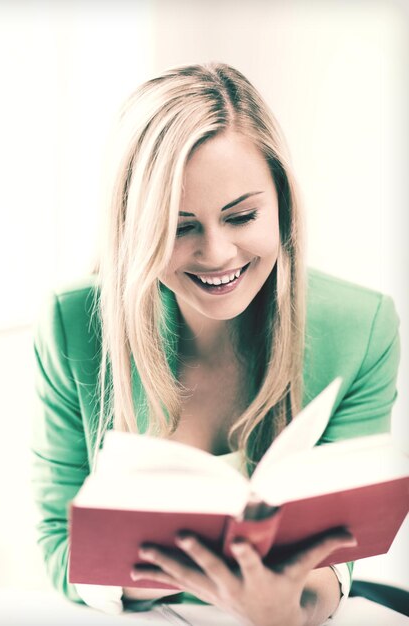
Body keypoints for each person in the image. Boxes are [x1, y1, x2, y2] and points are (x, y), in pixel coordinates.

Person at [32, 63, 400, 625]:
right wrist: (168, 576)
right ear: (135, 228)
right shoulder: (71, 324)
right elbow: (60, 543)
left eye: (242, 216)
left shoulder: (362, 326)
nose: (218, 253)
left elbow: (344, 550)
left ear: (282, 205)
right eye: (180, 227)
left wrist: (288, 607)